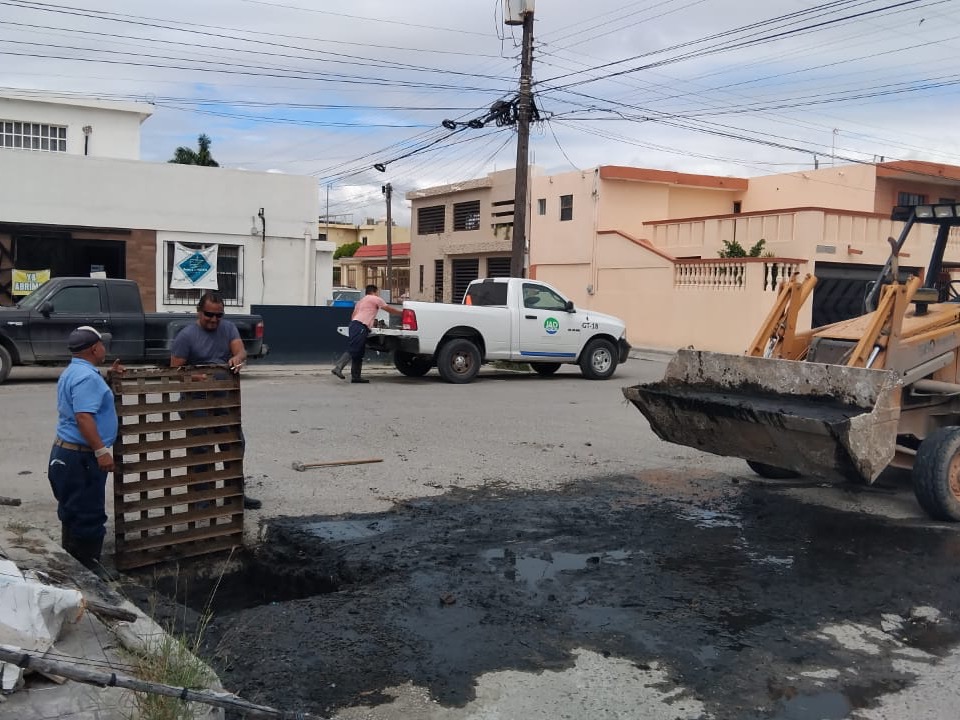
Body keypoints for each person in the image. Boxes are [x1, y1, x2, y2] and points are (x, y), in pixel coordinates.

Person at [170, 290, 262, 510]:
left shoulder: (228, 328)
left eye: (218, 315)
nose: (214, 320)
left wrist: (237, 359)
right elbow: (175, 370)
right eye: (209, 315)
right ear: (199, 312)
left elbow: (240, 352)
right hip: (196, 401)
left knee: (234, 444)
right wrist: (194, 376)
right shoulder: (186, 336)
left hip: (224, 400)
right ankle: (203, 499)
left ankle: (234, 494)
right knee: (202, 450)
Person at [48, 325, 123, 580]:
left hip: (65, 455)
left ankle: (71, 569)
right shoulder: (87, 378)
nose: (105, 348)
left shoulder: (76, 371)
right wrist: (101, 450)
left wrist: (108, 377)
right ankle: (88, 578)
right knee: (88, 517)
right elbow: (83, 417)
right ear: (94, 348)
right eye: (102, 344)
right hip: (82, 459)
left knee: (72, 513)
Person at [331, 284, 402, 383]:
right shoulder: (375, 298)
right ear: (375, 291)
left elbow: (353, 315)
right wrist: (401, 313)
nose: (378, 294)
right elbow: (388, 309)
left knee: (359, 352)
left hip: (354, 325)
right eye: (378, 292)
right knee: (355, 348)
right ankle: (338, 367)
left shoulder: (361, 301)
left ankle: (356, 377)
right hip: (361, 326)